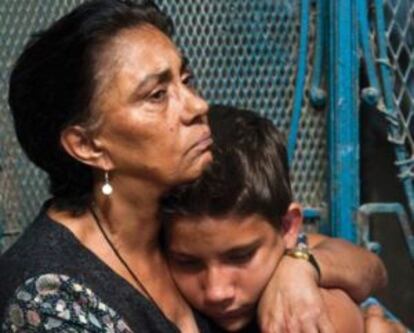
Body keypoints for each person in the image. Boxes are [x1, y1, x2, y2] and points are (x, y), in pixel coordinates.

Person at [0, 1, 386, 332]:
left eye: (186, 80)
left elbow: (362, 263)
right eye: (157, 95)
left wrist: (301, 267)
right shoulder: (48, 295)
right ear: (87, 145)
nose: (197, 106)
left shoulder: (173, 216)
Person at [161, 105, 384, 332]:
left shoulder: (307, 311)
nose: (217, 292)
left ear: (288, 227)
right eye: (188, 263)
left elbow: (372, 268)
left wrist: (301, 265)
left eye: (240, 257)